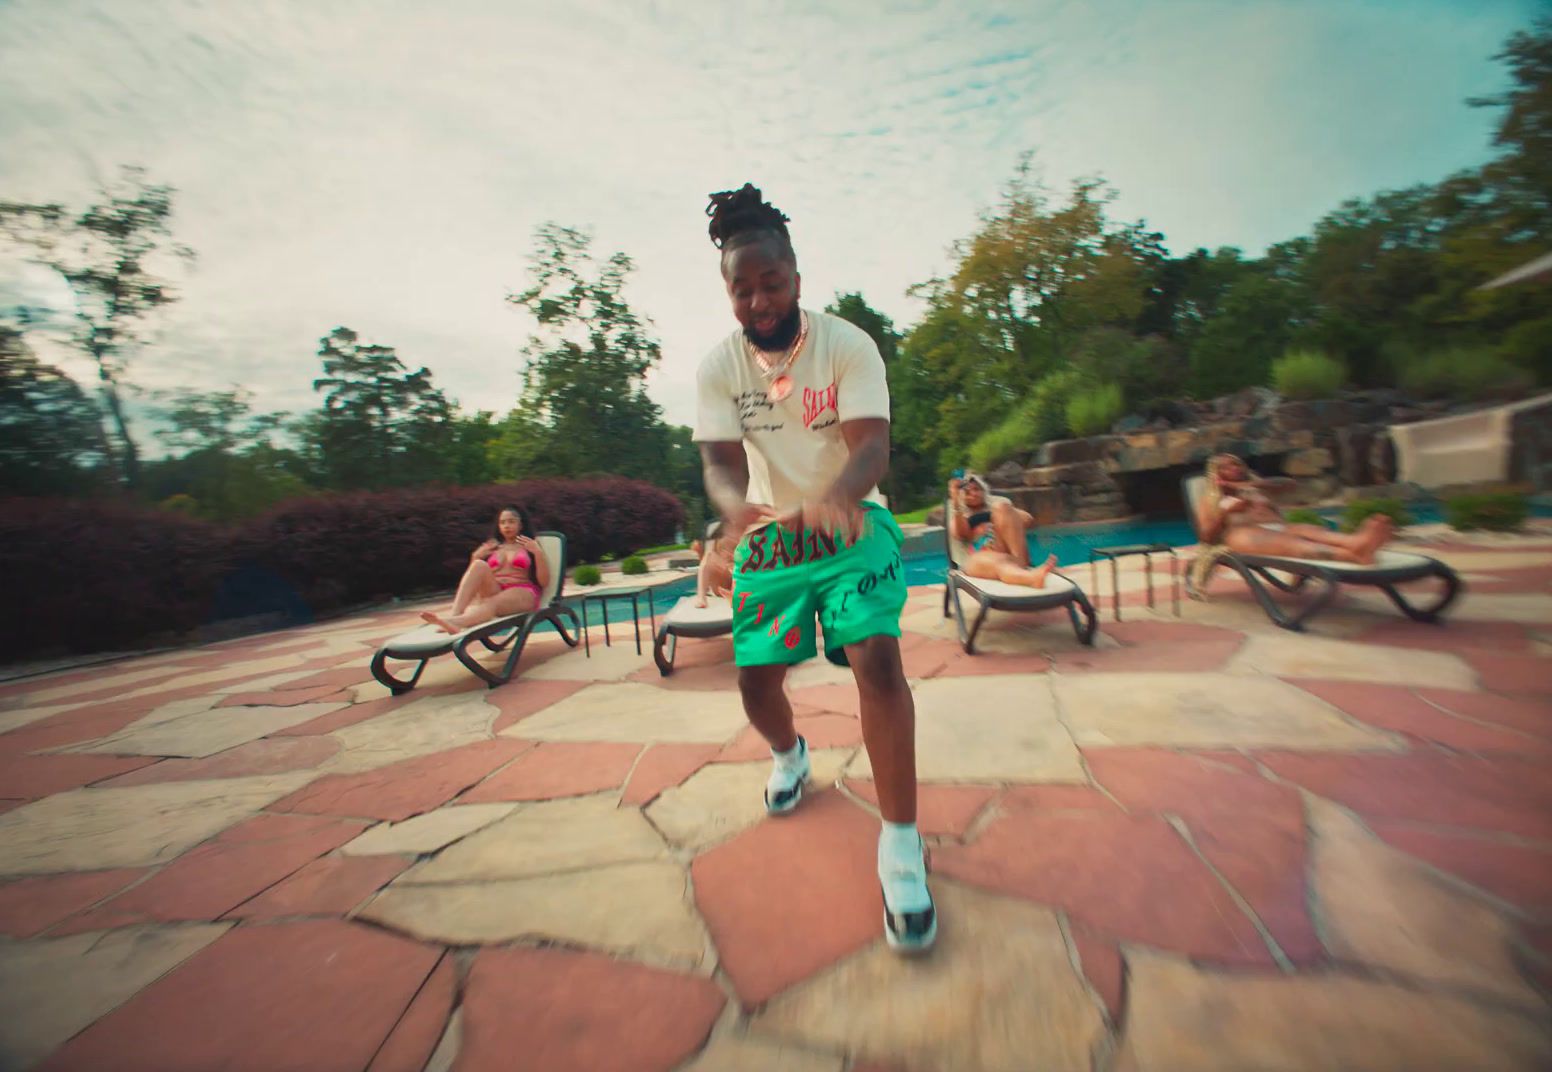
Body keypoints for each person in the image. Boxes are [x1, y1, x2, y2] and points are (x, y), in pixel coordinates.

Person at [694, 183, 935, 954]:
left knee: (876, 654)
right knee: (755, 682)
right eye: (743, 288)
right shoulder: (720, 368)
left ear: (796, 276)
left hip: (852, 517)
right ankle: (790, 754)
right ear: (728, 291)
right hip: (774, 536)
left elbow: (870, 446)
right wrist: (734, 517)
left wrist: (835, 500)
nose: (760, 300)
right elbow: (719, 464)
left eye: (771, 283)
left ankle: (901, 847)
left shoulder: (848, 345)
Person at [1194, 453, 1394, 564]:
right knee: (1291, 543)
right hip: (1241, 534)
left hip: (1278, 526)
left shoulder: (1256, 487)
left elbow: (1288, 484)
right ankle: (1353, 555)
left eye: (1236, 464)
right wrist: (1225, 512)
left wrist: (1246, 486)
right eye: (1226, 467)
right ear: (1215, 474)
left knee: (1308, 530)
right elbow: (1206, 537)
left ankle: (1355, 542)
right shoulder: (1210, 500)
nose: (1234, 469)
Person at [420, 505, 550, 634]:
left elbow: (544, 582)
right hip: (495, 589)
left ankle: (455, 622)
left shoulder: (530, 545)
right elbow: (473, 580)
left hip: (521, 591)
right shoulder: (493, 546)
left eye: (511, 521)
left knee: (491, 603)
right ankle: (455, 615)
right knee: (478, 564)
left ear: (521, 525)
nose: (506, 526)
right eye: (502, 522)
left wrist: (538, 552)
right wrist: (475, 557)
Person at [947, 473, 1058, 587]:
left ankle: (1020, 563)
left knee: (1001, 507)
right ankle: (1031, 578)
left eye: (977, 489)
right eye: (967, 492)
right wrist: (956, 502)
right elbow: (959, 533)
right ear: (961, 496)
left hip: (1007, 553)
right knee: (1000, 563)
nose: (973, 494)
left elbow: (1027, 520)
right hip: (978, 558)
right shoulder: (961, 515)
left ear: (984, 491)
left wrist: (1000, 514)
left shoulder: (997, 506)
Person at [694, 523, 735, 608]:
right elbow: (705, 565)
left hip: (735, 584)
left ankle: (734, 595)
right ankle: (701, 597)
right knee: (708, 558)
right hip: (720, 587)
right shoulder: (712, 553)